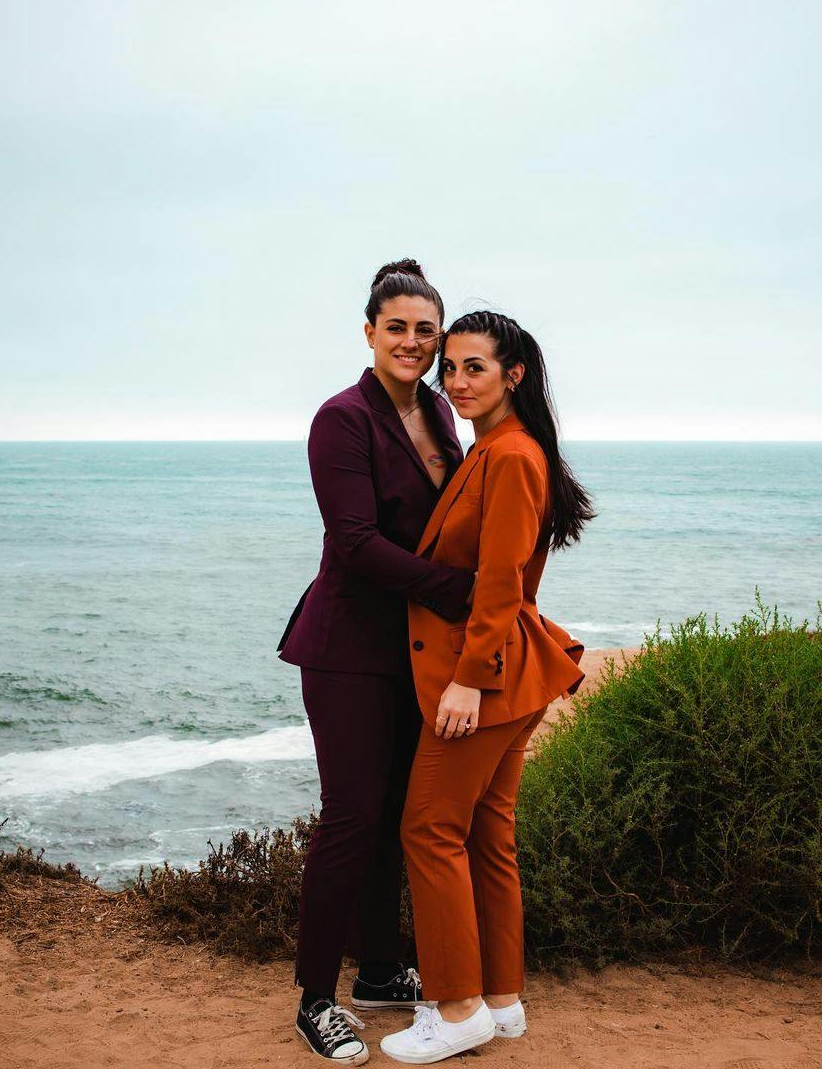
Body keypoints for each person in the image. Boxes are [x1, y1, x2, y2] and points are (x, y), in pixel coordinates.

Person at [380, 310, 594, 1064]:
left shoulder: (511, 457)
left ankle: (458, 1007)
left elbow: (501, 583)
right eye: (452, 368)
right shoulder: (496, 450)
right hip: (513, 670)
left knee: (429, 829)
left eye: (475, 367)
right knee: (486, 836)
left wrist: (467, 682)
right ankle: (501, 1001)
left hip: (487, 675)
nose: (457, 382)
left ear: (515, 375)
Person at [278, 260, 476, 1065]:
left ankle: (382, 971)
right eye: (397, 326)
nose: (413, 341)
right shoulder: (341, 419)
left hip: (414, 647)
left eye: (426, 330)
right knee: (352, 817)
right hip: (348, 646)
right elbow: (357, 546)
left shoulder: (438, 408)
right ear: (369, 332)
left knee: (398, 814)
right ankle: (315, 998)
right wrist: (458, 590)